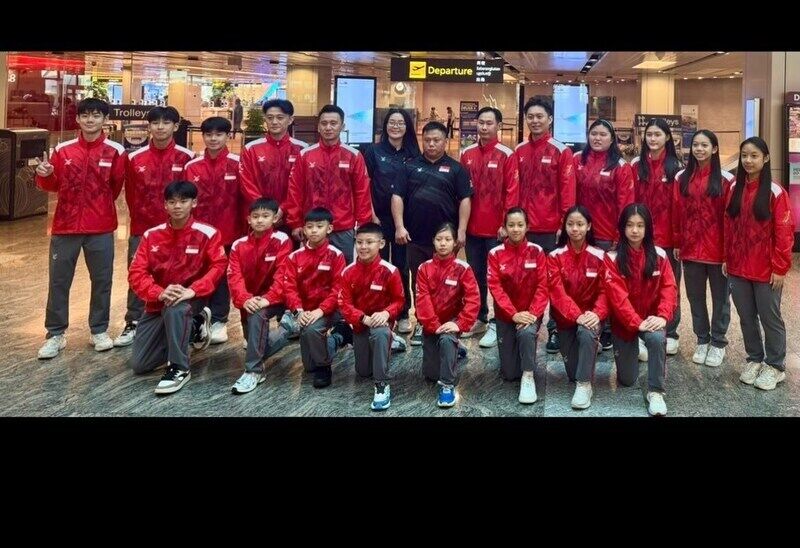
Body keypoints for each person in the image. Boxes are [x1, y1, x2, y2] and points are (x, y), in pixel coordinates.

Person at [35, 98, 126, 359]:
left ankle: (99, 330)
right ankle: (55, 334)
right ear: (77, 119)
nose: (90, 120)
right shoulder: (63, 150)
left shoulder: (115, 151)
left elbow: (115, 187)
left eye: (96, 115)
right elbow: (52, 185)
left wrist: (99, 208)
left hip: (101, 226)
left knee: (102, 280)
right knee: (59, 281)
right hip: (65, 226)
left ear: (105, 120)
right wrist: (45, 174)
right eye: (85, 115)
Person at [127, 181, 228, 395]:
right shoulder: (151, 236)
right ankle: (193, 326)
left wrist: (194, 290)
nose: (177, 206)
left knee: (176, 309)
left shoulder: (208, 233)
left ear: (194, 203)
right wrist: (159, 292)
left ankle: (179, 367)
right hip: (158, 301)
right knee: (140, 364)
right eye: (172, 202)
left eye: (183, 201)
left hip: (193, 298)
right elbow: (136, 272)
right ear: (165, 205)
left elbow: (219, 266)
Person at [116, 106, 195, 347]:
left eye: (166, 122)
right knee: (138, 274)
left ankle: (183, 321)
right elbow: (130, 194)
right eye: (155, 123)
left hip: (178, 229)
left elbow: (190, 196)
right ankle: (133, 320)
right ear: (149, 126)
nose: (160, 127)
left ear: (175, 126)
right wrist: (139, 221)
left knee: (181, 273)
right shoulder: (134, 158)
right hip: (143, 229)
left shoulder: (186, 157)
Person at [391, 121, 473, 346]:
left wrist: (462, 230)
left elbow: (465, 200)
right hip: (415, 237)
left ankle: (450, 323)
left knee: (449, 284)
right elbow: (397, 197)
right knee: (420, 283)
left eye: (436, 140)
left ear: (445, 141)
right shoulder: (409, 166)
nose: (431, 144)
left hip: (446, 240)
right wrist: (399, 226)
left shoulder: (456, 169)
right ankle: (422, 321)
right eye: (427, 140)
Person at [725, 137, 794, 390]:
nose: (748, 160)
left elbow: (784, 233)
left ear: (765, 158)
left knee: (769, 317)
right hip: (738, 267)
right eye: (744, 155)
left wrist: (780, 268)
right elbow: (728, 226)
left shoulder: (776, 192)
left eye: (754, 156)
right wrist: (726, 258)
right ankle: (754, 359)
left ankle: (775, 366)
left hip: (766, 270)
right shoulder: (734, 187)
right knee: (746, 317)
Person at [514, 97, 575, 355]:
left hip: (551, 229)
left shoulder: (561, 151)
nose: (535, 121)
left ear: (550, 119)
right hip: (523, 230)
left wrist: (564, 223)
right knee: (527, 281)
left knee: (555, 282)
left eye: (540, 116)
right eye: (530, 116)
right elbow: (513, 188)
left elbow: (567, 190)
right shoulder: (519, 151)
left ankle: (555, 328)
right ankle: (528, 324)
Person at [604, 204, 677, 416]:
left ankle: (656, 392)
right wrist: (637, 322)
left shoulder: (660, 255)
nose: (635, 230)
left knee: (657, 338)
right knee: (627, 380)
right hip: (624, 323)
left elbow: (669, 288)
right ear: (622, 227)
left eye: (640, 225)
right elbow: (617, 298)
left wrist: (662, 316)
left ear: (648, 228)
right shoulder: (612, 258)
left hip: (651, 319)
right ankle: (636, 343)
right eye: (629, 225)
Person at [267, 207, 347, 388]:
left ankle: (324, 367)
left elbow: (338, 289)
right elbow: (289, 287)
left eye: (319, 226)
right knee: (309, 366)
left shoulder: (336, 255)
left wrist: (320, 311)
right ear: (304, 229)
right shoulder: (294, 257)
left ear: (329, 228)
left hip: (330, 310)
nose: (314, 231)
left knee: (312, 331)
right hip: (304, 312)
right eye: (309, 227)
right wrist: (298, 311)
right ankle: (338, 337)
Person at [672, 130, 733, 367]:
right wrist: (678, 242)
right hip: (691, 251)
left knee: (721, 299)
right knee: (695, 298)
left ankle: (718, 343)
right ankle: (702, 339)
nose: (699, 149)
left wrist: (728, 253)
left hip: (717, 252)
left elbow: (730, 220)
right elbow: (677, 213)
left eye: (704, 145)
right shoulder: (682, 178)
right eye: (696, 145)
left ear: (714, 149)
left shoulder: (726, 180)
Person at [460, 106, 519, 347]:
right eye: (481, 122)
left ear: (498, 126)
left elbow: (512, 191)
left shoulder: (507, 154)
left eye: (489, 123)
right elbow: (462, 192)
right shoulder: (467, 154)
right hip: (472, 228)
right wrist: (461, 226)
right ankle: (480, 317)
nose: (484, 127)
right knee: (475, 276)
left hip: (497, 230)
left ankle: (498, 321)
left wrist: (506, 223)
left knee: (498, 278)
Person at [284, 104, 372, 265]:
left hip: (343, 228)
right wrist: (295, 223)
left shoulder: (354, 156)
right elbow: (295, 190)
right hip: (313, 227)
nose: (328, 127)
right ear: (318, 127)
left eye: (333, 123)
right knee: (311, 272)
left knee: (343, 272)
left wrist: (362, 225)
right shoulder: (305, 155)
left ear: (342, 126)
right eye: (324, 123)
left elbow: (362, 192)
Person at [574, 118, 634, 351]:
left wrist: (620, 237)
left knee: (607, 283)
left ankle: (607, 328)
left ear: (612, 139)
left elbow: (625, 204)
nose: (597, 138)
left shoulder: (620, 166)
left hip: (607, 236)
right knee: (584, 282)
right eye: (594, 134)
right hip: (581, 234)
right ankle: (586, 325)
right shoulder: (577, 160)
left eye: (603, 134)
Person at [183, 116, 243, 345]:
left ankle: (219, 320)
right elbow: (185, 200)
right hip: (199, 235)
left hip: (230, 232)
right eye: (209, 134)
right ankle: (199, 318)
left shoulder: (238, 164)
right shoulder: (192, 167)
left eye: (219, 134)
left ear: (228, 136)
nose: (213, 139)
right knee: (198, 275)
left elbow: (245, 198)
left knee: (223, 278)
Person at [362, 109, 421, 335]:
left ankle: (403, 313)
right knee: (378, 267)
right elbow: (365, 183)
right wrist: (371, 214)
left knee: (401, 266)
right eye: (392, 122)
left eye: (401, 123)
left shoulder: (413, 153)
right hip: (379, 217)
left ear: (407, 127)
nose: (396, 126)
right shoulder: (373, 151)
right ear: (385, 125)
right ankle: (379, 311)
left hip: (405, 221)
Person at [227, 198, 294, 394]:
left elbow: (283, 274)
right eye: (255, 216)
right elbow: (234, 277)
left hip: (277, 299)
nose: (260, 220)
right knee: (256, 346)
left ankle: (254, 371)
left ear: (275, 218)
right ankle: (287, 329)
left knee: (255, 339)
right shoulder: (238, 245)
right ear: (248, 219)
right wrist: (245, 299)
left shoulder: (282, 240)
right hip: (249, 303)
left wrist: (268, 298)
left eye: (265, 216)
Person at [338, 223, 406, 410]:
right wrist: (361, 318)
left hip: (381, 323)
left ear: (381, 244)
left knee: (380, 334)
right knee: (363, 372)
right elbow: (344, 303)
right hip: (360, 323)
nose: (363, 247)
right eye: (359, 242)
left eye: (369, 242)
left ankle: (382, 384)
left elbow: (399, 300)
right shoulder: (348, 272)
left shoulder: (390, 271)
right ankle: (392, 343)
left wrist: (386, 313)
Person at [547, 205, 608, 410]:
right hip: (565, 320)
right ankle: (587, 352)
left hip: (591, 318)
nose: (575, 229)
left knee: (586, 332)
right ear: (564, 226)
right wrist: (576, 315)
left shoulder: (600, 256)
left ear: (588, 226)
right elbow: (557, 293)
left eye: (580, 224)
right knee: (572, 373)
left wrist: (596, 314)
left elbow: (605, 291)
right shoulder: (554, 256)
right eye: (570, 224)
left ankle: (584, 385)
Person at [632, 118, 683, 358]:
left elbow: (679, 208)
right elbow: (631, 201)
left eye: (658, 134)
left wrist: (678, 240)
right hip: (640, 238)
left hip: (668, 239)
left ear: (667, 137)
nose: (652, 138)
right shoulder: (636, 165)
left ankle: (670, 332)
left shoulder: (676, 167)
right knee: (640, 286)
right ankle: (641, 331)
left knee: (669, 287)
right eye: (649, 134)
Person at [414, 223, 479, 408]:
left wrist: (460, 323)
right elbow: (423, 301)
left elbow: (473, 299)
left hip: (453, 323)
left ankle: (447, 385)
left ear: (455, 243)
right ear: (433, 241)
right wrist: (435, 326)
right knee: (431, 374)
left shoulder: (463, 268)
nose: (443, 243)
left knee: (447, 340)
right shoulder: (424, 268)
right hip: (431, 325)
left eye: (448, 239)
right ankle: (455, 350)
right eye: (439, 239)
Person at [487, 208, 548, 404]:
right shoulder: (495, 253)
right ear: (504, 228)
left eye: (520, 225)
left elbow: (543, 286)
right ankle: (516, 356)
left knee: (526, 333)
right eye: (511, 225)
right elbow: (495, 287)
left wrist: (532, 313)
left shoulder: (537, 251)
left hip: (530, 314)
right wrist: (513, 314)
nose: (515, 229)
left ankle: (528, 376)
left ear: (527, 227)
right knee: (509, 373)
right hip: (506, 316)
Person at [239, 99, 308, 227]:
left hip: (291, 217)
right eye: (270, 118)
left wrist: (283, 209)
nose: (274, 122)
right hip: (259, 218)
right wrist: (265, 212)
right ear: (265, 119)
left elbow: (302, 186)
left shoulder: (302, 149)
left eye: (280, 117)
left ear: (290, 120)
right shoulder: (251, 149)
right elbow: (246, 183)